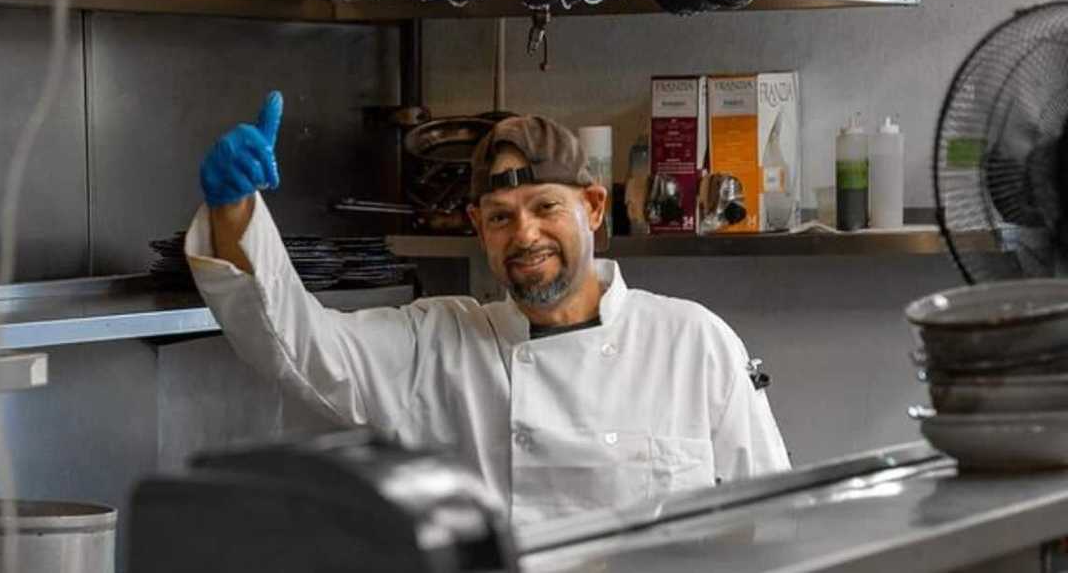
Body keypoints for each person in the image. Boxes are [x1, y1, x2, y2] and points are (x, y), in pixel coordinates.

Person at [184, 91, 790, 526]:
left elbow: (776, 520)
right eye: (501, 217)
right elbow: (294, 344)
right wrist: (234, 210)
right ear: (478, 227)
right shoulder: (438, 344)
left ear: (595, 207)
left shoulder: (692, 343)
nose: (524, 235)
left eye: (545, 207)